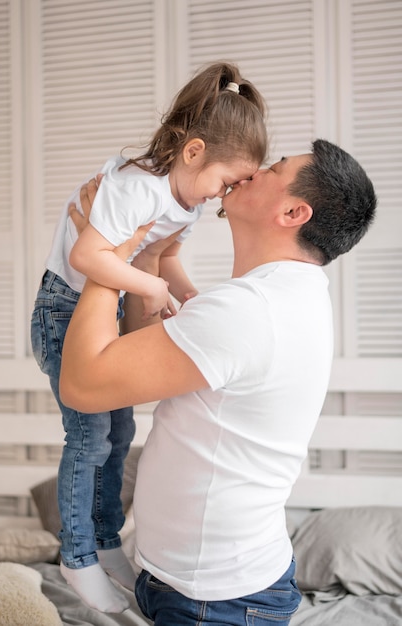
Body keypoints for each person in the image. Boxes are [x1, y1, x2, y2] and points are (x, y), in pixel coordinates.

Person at [60, 139, 376, 625]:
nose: (251, 171)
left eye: (273, 168)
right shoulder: (279, 297)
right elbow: (143, 362)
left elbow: (83, 384)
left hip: (215, 602)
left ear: (294, 211)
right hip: (197, 584)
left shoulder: (250, 311)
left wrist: (106, 254)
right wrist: (142, 264)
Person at [30, 61, 267, 613]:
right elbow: (86, 257)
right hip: (63, 310)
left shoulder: (187, 201)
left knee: (119, 431)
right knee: (88, 439)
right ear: (193, 152)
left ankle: (108, 539)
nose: (224, 196)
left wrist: (190, 298)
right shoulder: (138, 186)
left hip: (102, 311)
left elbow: (163, 259)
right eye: (225, 181)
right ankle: (77, 553)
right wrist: (150, 288)